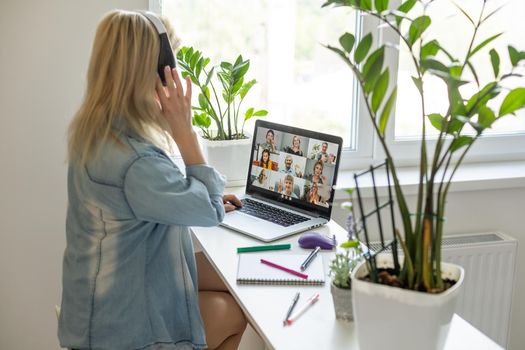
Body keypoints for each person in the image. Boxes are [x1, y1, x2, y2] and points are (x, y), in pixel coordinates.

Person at [59, 10, 246, 350]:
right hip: (123, 332)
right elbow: (207, 211)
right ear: (157, 71)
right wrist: (184, 130)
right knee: (234, 312)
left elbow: (175, 201)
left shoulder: (97, 133)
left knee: (236, 276)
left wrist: (202, 199)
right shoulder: (136, 163)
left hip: (98, 311)